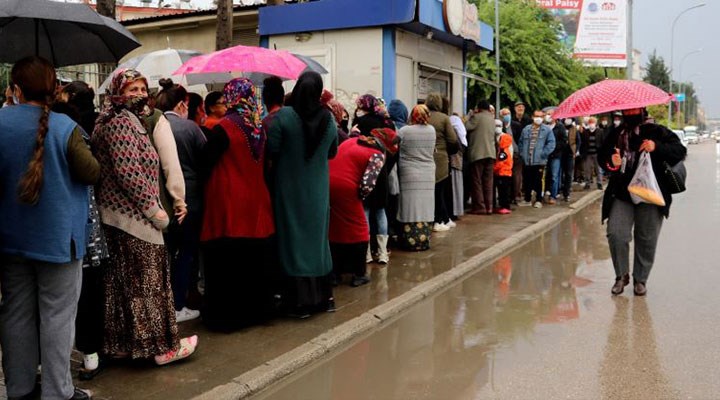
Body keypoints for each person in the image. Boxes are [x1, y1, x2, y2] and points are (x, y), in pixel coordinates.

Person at [0, 56, 98, 400]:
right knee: (57, 318)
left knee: (15, 314)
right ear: (53, 89)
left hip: (10, 239)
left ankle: (20, 390)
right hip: (59, 240)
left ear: (15, 89)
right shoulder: (64, 128)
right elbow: (92, 172)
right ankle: (58, 392)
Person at [92, 68, 197, 365]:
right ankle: (161, 348)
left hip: (119, 218)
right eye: (131, 89)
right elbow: (130, 176)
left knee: (125, 286)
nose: (138, 94)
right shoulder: (121, 122)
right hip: (133, 219)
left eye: (141, 88)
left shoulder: (115, 119)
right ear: (118, 92)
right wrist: (156, 212)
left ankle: (126, 345)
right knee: (148, 285)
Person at [200, 78, 277, 331]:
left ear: (232, 97)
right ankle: (256, 312)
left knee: (227, 264)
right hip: (257, 201)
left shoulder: (224, 128)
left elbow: (206, 162)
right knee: (253, 262)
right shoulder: (259, 127)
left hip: (228, 201)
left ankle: (227, 318)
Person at [52, 80, 111, 381]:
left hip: (51, 229)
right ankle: (89, 356)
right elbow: (92, 172)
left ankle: (46, 367)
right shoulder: (77, 129)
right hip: (82, 227)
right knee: (83, 295)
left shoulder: (44, 126)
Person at [267, 71, 338, 318]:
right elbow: (332, 153)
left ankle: (298, 303)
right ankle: (325, 298)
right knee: (318, 242)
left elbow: (272, 148)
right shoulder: (328, 119)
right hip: (318, 191)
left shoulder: (284, 116)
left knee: (292, 240)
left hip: (289, 189)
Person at [599, 108, 686, 296]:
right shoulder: (616, 133)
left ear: (642, 109)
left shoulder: (657, 131)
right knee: (616, 234)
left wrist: (656, 147)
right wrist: (611, 162)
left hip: (650, 194)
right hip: (622, 194)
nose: (630, 112)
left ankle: (640, 279)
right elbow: (602, 156)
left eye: (634, 109)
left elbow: (680, 151)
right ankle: (621, 276)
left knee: (646, 238)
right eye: (627, 110)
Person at [155, 78, 207, 323]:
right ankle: (178, 303)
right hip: (190, 197)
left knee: (167, 253)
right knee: (187, 252)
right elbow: (205, 158)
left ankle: (165, 302)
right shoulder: (189, 128)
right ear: (181, 105)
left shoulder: (155, 125)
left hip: (162, 199)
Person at [329, 128, 398, 286]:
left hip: (327, 181)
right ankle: (359, 273)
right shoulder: (377, 154)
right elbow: (367, 184)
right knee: (359, 228)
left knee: (335, 227)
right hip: (346, 186)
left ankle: (335, 274)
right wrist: (360, 197)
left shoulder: (354, 140)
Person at [396, 105, 437, 251]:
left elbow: (395, 144)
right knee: (425, 205)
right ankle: (423, 238)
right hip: (428, 172)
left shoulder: (404, 131)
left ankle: (409, 239)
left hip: (409, 172)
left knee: (409, 204)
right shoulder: (432, 130)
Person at [425, 93, 458, 232]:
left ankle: (443, 218)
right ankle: (439, 220)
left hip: (425, 157)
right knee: (440, 190)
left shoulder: (422, 115)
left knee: (432, 191)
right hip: (441, 158)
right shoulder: (444, 118)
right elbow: (452, 140)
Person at [518, 110, 556, 208]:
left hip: (539, 160)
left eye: (540, 116)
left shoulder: (547, 130)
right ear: (532, 117)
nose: (538, 118)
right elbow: (521, 142)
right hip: (527, 160)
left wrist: (543, 154)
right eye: (536, 116)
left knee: (538, 180)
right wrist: (522, 153)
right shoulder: (526, 129)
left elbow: (551, 143)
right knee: (527, 180)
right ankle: (527, 199)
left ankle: (539, 200)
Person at [465, 100, 497, 215]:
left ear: (478, 108)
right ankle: (489, 207)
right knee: (488, 182)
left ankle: (479, 206)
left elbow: (466, 127)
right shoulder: (492, 119)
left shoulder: (476, 117)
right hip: (490, 153)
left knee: (477, 181)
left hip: (478, 154)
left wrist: (468, 116)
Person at [544, 108, 568, 205]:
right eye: (547, 114)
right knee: (546, 176)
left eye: (550, 114)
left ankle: (553, 196)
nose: (548, 116)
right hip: (545, 155)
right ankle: (543, 194)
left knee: (555, 175)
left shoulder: (560, 127)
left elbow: (564, 141)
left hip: (556, 155)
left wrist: (554, 147)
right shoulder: (544, 127)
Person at [580, 116, 606, 190]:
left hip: (597, 153)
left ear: (595, 123)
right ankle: (587, 183)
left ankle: (599, 183)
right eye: (590, 122)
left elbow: (602, 142)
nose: (591, 124)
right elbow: (582, 143)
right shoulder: (585, 132)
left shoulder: (600, 131)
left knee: (598, 169)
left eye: (593, 122)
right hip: (587, 154)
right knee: (587, 169)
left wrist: (602, 152)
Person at [494, 119, 514, 214]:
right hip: (501, 169)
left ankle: (505, 206)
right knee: (501, 189)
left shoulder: (505, 140)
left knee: (504, 189)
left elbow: (505, 157)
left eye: (499, 125)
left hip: (504, 169)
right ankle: (503, 205)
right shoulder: (496, 138)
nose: (497, 127)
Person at [560, 117, 581, 202]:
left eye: (569, 119)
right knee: (560, 173)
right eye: (566, 118)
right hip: (560, 153)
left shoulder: (574, 129)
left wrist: (576, 151)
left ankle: (566, 193)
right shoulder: (560, 127)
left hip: (570, 153)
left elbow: (578, 141)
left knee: (569, 174)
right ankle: (559, 189)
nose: (567, 120)